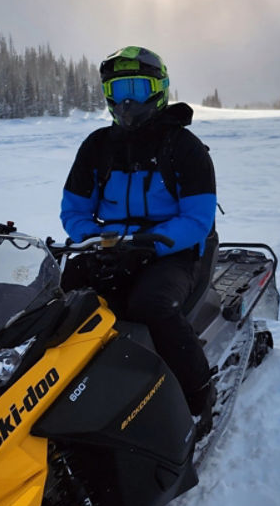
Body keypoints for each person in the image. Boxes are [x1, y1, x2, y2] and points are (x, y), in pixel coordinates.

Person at [60, 46, 218, 422]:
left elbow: (198, 219)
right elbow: (75, 211)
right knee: (59, 303)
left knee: (151, 306)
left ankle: (199, 400)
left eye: (137, 88)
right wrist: (100, 242)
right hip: (111, 249)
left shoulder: (184, 147)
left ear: (159, 90)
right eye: (118, 90)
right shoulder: (97, 147)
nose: (127, 100)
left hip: (173, 252)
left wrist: (148, 246)